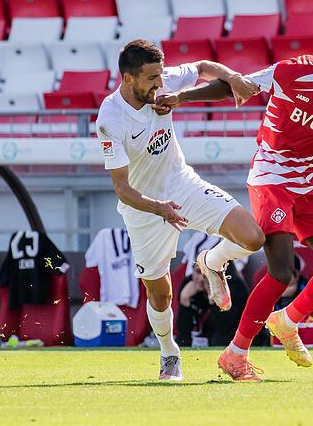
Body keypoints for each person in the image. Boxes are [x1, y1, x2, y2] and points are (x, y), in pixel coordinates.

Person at [156, 18, 313, 381]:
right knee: (281, 269)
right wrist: (181, 97)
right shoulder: (290, 72)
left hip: (309, 180)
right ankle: (235, 354)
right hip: (271, 175)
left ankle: (286, 321)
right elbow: (234, 87)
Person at [95, 39, 266, 381]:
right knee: (161, 294)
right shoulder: (110, 118)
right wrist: (159, 208)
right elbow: (122, 189)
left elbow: (203, 67)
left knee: (253, 237)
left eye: (161, 76)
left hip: (182, 185)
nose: (160, 84)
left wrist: (233, 77)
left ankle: (211, 262)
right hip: (145, 208)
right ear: (128, 79)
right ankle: (169, 352)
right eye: (151, 79)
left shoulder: (164, 80)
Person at [176, 262, 248, 347]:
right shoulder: (189, 283)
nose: (201, 278)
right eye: (198, 272)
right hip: (200, 336)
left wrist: (213, 299)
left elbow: (224, 327)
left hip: (230, 336)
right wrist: (184, 301)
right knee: (181, 339)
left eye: (206, 274)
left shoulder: (234, 286)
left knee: (219, 339)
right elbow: (183, 330)